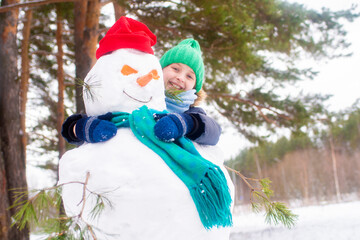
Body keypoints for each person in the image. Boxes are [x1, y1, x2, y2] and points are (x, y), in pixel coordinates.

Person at [61, 38, 221, 146]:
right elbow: (76, 126)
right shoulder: (137, 96)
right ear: (159, 70)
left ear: (195, 86)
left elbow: (213, 132)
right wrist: (80, 127)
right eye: (175, 68)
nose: (180, 77)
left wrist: (186, 123)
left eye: (189, 76)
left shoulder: (191, 112)